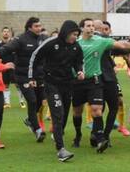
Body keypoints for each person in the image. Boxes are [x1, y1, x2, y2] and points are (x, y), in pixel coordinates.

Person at [71, 18, 130, 153]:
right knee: (85, 109)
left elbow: (122, 47)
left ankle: (103, 136)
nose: (95, 29)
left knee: (112, 105)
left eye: (98, 27)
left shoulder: (103, 41)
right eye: (92, 26)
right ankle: (86, 134)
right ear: (82, 28)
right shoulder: (78, 42)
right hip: (86, 80)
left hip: (106, 78)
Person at [29, 20, 84, 162]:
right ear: (66, 32)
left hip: (67, 84)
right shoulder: (51, 43)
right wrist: (32, 76)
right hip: (51, 83)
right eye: (73, 34)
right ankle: (61, 149)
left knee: (64, 114)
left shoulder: (76, 47)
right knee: (58, 113)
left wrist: (79, 71)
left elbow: (79, 61)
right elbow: (35, 56)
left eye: (77, 35)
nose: (75, 37)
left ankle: (57, 134)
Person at [0, 17, 47, 142]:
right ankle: (37, 130)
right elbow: (6, 49)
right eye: (36, 26)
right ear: (29, 27)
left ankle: (30, 120)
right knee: (32, 100)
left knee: (40, 102)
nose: (39, 28)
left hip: (39, 76)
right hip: (23, 75)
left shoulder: (43, 38)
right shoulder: (21, 39)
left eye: (40, 26)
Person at [0, 27, 26, 109]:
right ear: (2, 33)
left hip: (14, 68)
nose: (6, 33)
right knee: (5, 85)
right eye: (4, 31)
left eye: (7, 31)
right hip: (3, 68)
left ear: (10, 33)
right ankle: (7, 103)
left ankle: (22, 101)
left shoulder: (14, 44)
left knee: (18, 85)